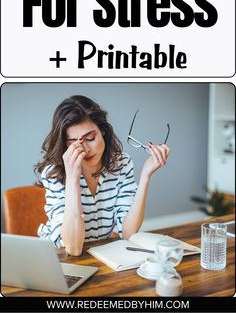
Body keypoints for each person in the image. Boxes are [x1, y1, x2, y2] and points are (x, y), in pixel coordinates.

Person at [35, 95, 170, 256]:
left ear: (103, 131)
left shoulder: (121, 164)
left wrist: (145, 177)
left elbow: (128, 234)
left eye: (90, 138)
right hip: (59, 257)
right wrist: (72, 178)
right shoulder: (54, 174)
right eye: (74, 143)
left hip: (100, 255)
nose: (85, 149)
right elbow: (73, 248)